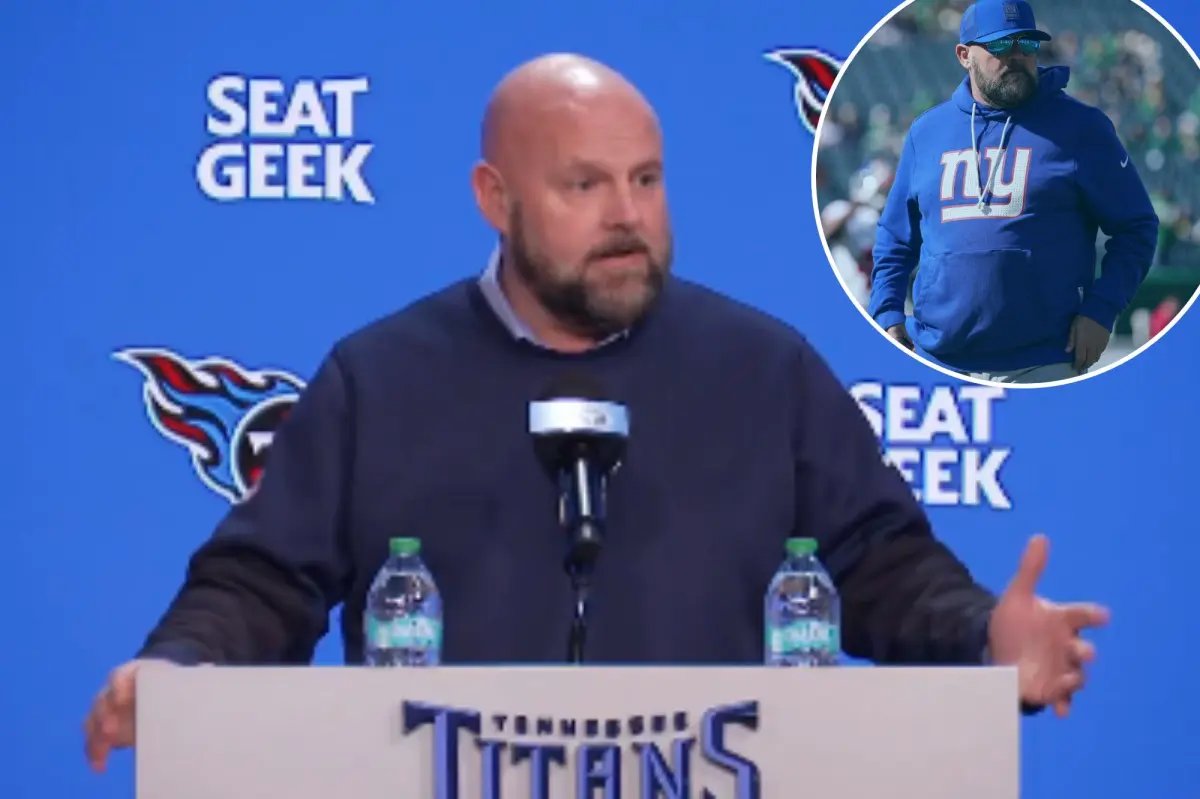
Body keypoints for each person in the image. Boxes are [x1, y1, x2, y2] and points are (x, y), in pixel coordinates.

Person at [83, 52, 1109, 772]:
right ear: (495, 198)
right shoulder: (379, 379)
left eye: (646, 180)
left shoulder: (762, 371)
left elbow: (882, 566)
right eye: (584, 185)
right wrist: (178, 672)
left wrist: (983, 638)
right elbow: (261, 581)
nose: (628, 216)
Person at [867, 0, 1159, 384]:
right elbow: (895, 236)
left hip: (1044, 358)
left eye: (1027, 44)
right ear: (964, 55)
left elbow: (1136, 227)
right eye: (1001, 45)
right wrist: (886, 312)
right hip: (938, 357)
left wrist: (1101, 310)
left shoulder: (1081, 128)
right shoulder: (927, 132)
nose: (1017, 55)